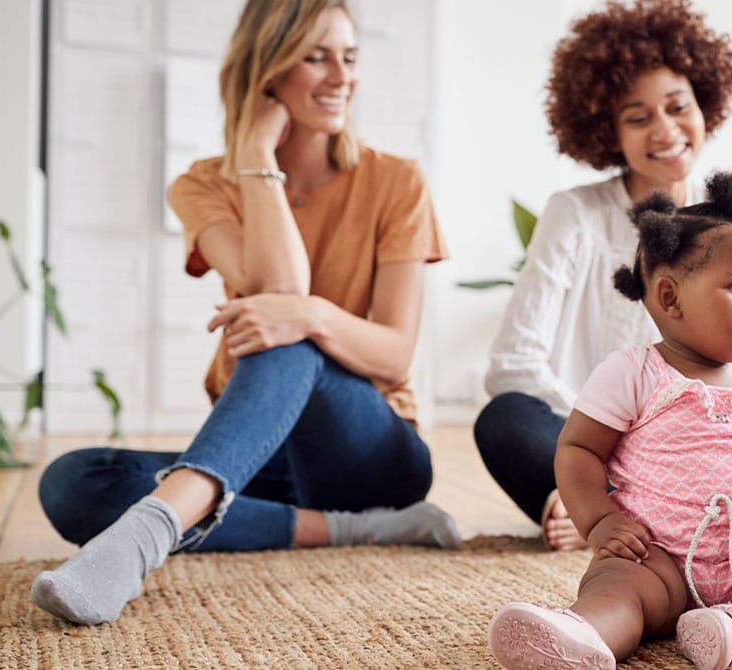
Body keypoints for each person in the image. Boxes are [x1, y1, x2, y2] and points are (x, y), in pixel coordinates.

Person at [30, 0, 460, 626]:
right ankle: (346, 530)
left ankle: (146, 537)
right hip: (265, 461)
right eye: (316, 57)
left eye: (349, 56)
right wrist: (258, 154)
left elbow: (389, 350)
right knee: (72, 483)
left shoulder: (397, 181)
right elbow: (280, 283)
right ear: (267, 71)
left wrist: (310, 316)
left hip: (370, 451)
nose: (342, 76)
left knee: (285, 330)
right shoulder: (203, 184)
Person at [476, 0, 732, 552]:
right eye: (638, 117)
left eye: (677, 107)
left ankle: (620, 506)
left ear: (704, 104)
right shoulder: (573, 213)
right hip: (607, 446)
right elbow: (514, 367)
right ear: (608, 131)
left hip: (729, 446)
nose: (666, 130)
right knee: (503, 419)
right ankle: (595, 501)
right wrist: (623, 431)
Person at [487, 173, 732, 670]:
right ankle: (581, 635)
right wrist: (599, 520)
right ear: (670, 297)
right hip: (654, 552)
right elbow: (578, 449)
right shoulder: (633, 372)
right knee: (617, 581)